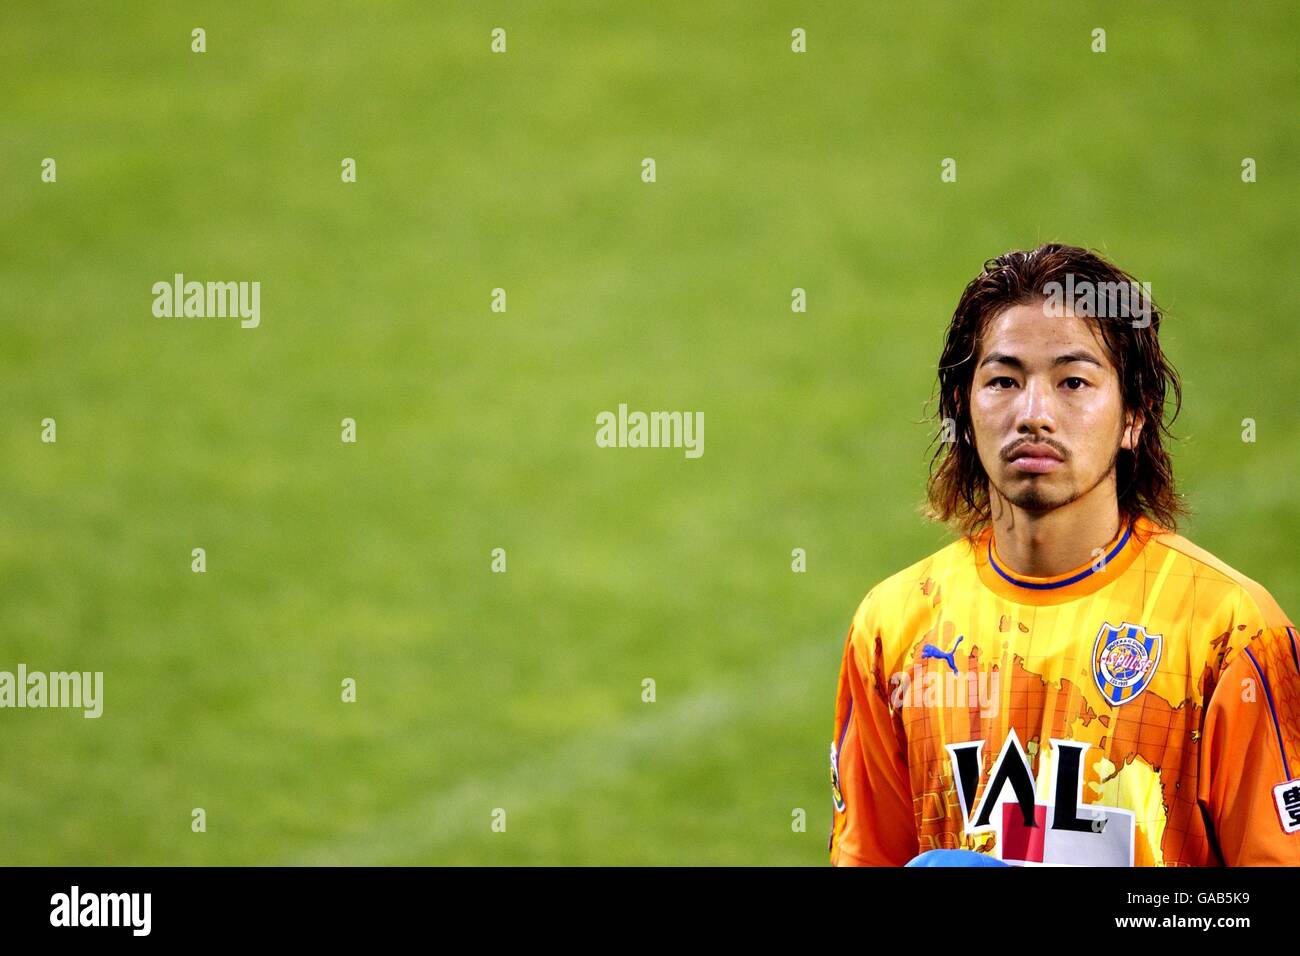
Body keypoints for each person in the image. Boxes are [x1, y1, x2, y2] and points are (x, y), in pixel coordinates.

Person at [828, 244, 1299, 866]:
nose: (1034, 414)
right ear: (963, 416)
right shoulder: (895, 627)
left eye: (1073, 381)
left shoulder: (1228, 630)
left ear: (1135, 414)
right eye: (1003, 381)